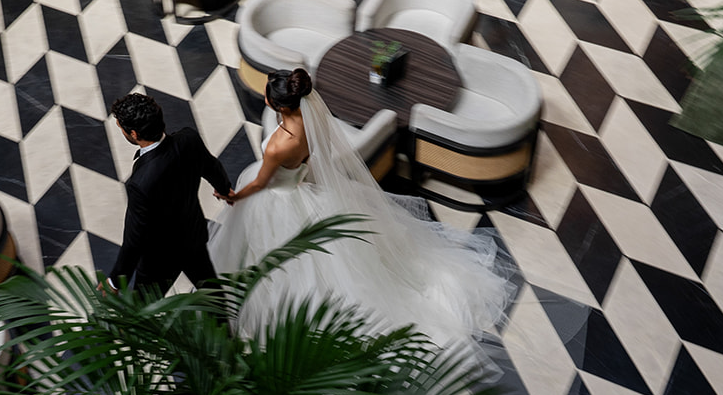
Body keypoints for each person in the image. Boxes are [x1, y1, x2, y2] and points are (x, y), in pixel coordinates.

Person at [209, 68, 514, 370]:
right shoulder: (310, 122)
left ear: (278, 105)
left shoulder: (278, 146)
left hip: (280, 199)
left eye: (268, 93)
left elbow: (261, 183)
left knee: (281, 262)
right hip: (303, 188)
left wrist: (235, 196)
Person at [105, 92, 234, 296]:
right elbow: (211, 166)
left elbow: (134, 238)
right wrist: (224, 189)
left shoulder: (139, 184)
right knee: (213, 294)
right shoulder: (188, 139)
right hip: (193, 236)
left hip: (160, 259)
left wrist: (115, 281)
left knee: (143, 308)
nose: (121, 131)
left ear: (134, 134)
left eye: (121, 127)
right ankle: (223, 317)